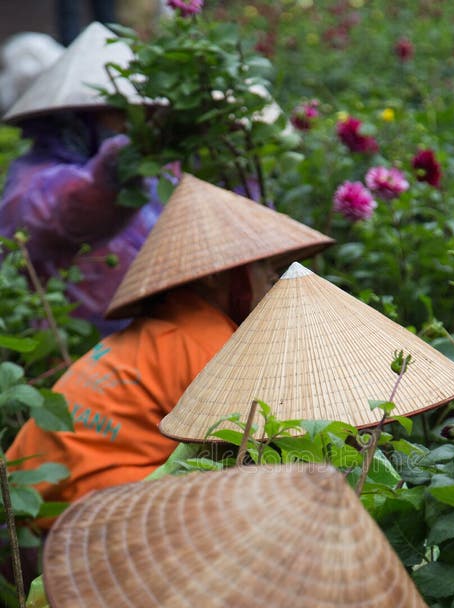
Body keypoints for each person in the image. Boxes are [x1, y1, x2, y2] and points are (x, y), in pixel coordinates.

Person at [4, 173, 334, 526]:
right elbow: (265, 453)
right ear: (214, 275)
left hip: (24, 506)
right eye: (262, 264)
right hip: (97, 519)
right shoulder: (212, 343)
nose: (272, 276)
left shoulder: (158, 331)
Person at [0, 22, 163, 336]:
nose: (129, 123)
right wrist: (117, 166)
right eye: (117, 114)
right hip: (81, 357)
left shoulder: (152, 173)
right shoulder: (32, 182)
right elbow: (71, 207)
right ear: (79, 115)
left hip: (151, 341)